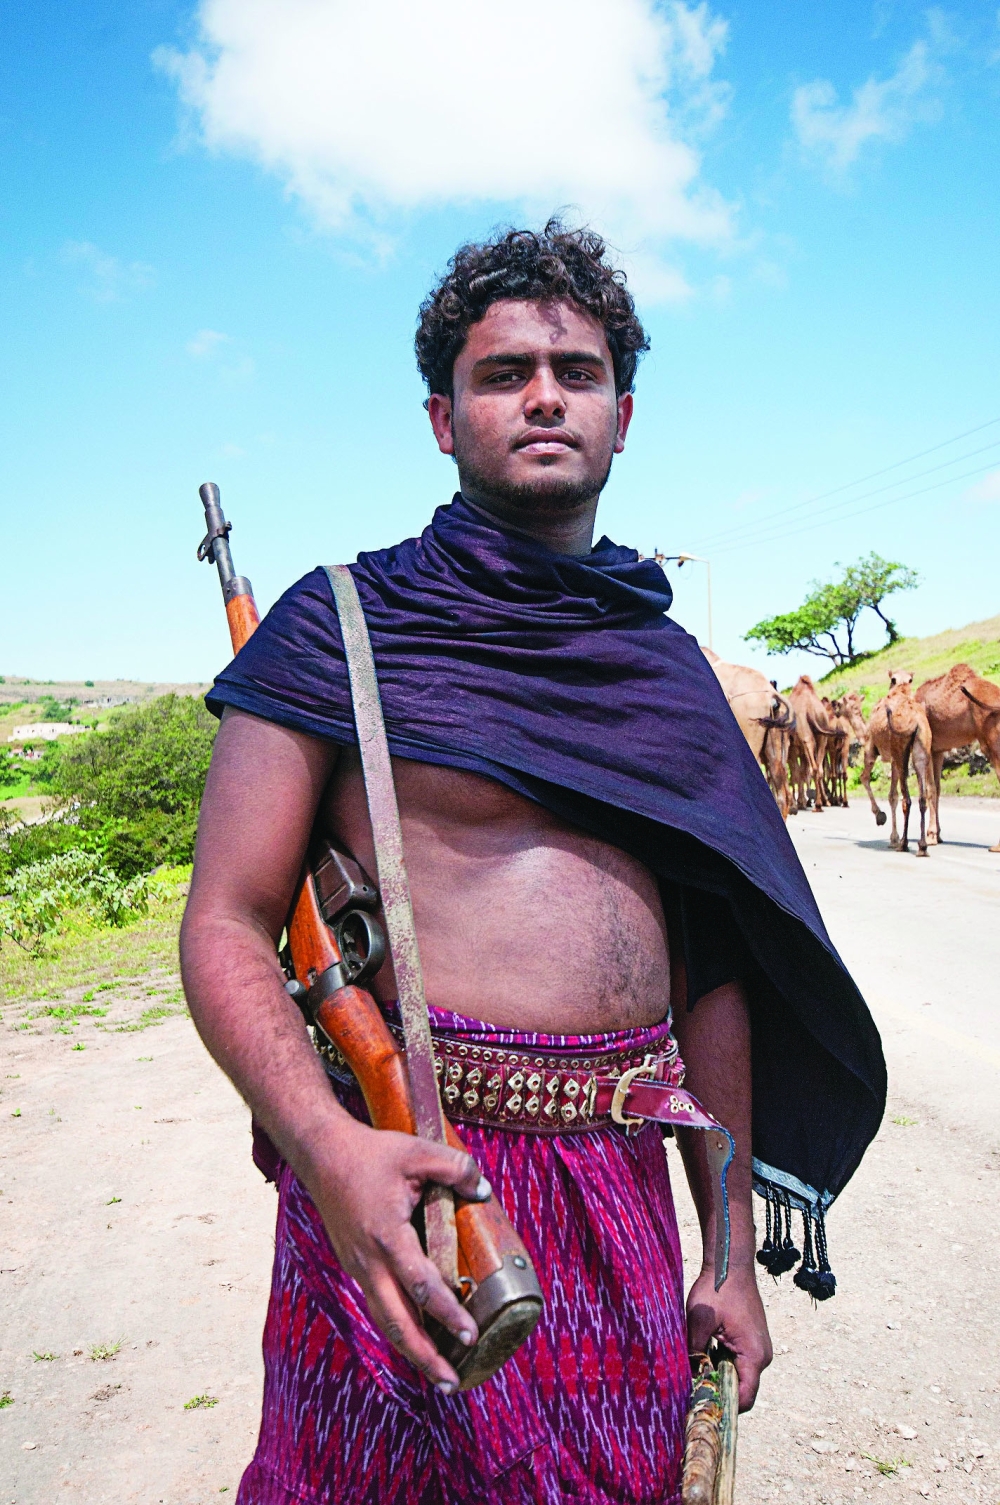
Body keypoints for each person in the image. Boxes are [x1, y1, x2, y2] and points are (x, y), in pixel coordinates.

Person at [180, 222, 885, 1505]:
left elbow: (710, 979)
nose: (545, 395)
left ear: (623, 415)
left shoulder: (665, 673)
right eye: (504, 372)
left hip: (620, 1199)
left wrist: (727, 1252)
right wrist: (328, 1150)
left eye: (578, 370)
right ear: (442, 418)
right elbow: (226, 919)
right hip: (405, 1176)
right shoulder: (339, 625)